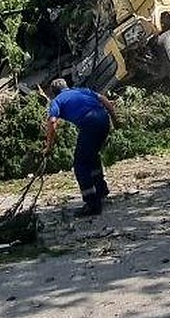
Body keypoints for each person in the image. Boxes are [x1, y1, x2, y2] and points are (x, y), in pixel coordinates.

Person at [45, 78, 117, 217]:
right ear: (67, 86)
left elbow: (52, 122)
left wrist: (49, 147)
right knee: (92, 156)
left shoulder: (57, 101)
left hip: (90, 123)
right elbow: (104, 99)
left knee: (80, 165)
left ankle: (92, 204)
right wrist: (115, 120)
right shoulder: (81, 90)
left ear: (53, 92)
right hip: (103, 120)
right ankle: (101, 191)